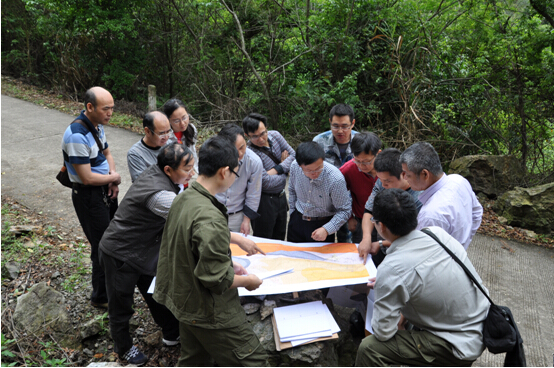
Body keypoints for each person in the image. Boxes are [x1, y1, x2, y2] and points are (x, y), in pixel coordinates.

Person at [154, 136, 268, 366]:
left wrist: (227, 262)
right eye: (236, 173)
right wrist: (248, 281)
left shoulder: (185, 197)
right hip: (209, 309)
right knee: (255, 361)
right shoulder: (209, 217)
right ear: (224, 172)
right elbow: (215, 280)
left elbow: (190, 247)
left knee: (195, 359)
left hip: (185, 300)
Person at [355, 189, 489, 366]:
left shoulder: (392, 268)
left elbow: (383, 332)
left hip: (457, 344)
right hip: (482, 323)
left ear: (382, 227)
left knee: (369, 347)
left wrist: (387, 288)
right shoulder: (437, 234)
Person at [99, 144, 195, 365]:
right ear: (169, 170)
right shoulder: (158, 193)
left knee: (157, 291)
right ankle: (123, 347)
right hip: (120, 252)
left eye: (193, 166)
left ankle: (172, 333)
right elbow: (190, 215)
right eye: (187, 168)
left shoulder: (163, 175)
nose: (192, 172)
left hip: (144, 251)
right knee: (121, 302)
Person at [61, 86, 121, 309]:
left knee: (112, 239)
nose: (110, 113)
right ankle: (101, 297)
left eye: (112, 108)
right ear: (89, 107)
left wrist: (112, 179)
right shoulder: (77, 134)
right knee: (102, 245)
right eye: (106, 109)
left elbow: (107, 153)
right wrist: (112, 178)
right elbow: (86, 178)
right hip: (89, 196)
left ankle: (112, 288)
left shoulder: (95, 126)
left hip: (105, 189)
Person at [399, 142, 483, 249]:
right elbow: (477, 213)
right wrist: (464, 243)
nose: (405, 178)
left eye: (408, 174)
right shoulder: (459, 180)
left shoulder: (431, 215)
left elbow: (424, 254)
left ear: (425, 174)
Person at [358, 148, 423, 266]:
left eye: (388, 181)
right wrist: (366, 238)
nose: (383, 185)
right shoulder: (382, 182)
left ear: (403, 174)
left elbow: (415, 236)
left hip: (404, 254)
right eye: (380, 180)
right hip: (380, 245)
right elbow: (369, 210)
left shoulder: (419, 197)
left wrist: (382, 243)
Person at [242, 113, 295, 241]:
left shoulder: (275, 136)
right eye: (255, 136)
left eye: (263, 133)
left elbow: (294, 155)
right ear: (247, 135)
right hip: (263, 201)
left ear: (266, 128)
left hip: (281, 197)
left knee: (280, 237)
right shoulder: (250, 153)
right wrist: (285, 172)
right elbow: (266, 182)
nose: (261, 139)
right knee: (264, 239)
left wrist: (277, 169)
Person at [288, 142, 351, 243]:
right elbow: (291, 190)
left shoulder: (335, 178)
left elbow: (345, 210)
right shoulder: (294, 166)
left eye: (318, 168)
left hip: (322, 224)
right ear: (300, 166)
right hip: (297, 221)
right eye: (308, 170)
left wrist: (326, 229)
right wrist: (292, 214)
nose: (314, 173)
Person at [313, 103, 359, 242]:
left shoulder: (361, 142)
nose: (340, 131)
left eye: (345, 126)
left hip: (352, 202)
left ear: (353, 123)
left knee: (348, 243)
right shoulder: (319, 141)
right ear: (329, 123)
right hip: (325, 201)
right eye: (335, 126)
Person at [215, 124, 263, 235]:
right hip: (213, 212)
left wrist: (246, 220)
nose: (240, 153)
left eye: (242, 147)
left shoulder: (254, 162)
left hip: (237, 216)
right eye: (234, 151)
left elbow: (253, 194)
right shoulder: (214, 157)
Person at [339, 132, 381, 244]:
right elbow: (337, 194)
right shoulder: (348, 170)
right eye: (357, 161)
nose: (362, 166)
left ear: (378, 154)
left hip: (387, 222)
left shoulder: (389, 168)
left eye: (367, 162)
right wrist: (349, 217)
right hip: (361, 222)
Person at [127, 111, 172, 182]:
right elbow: (143, 183)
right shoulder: (135, 154)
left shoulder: (170, 145)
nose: (166, 137)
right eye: (162, 133)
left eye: (168, 132)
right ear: (147, 131)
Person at [162, 98, 198, 173]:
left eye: (184, 118)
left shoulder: (192, 129)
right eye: (176, 121)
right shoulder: (165, 136)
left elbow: (192, 151)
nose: (182, 123)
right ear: (168, 120)